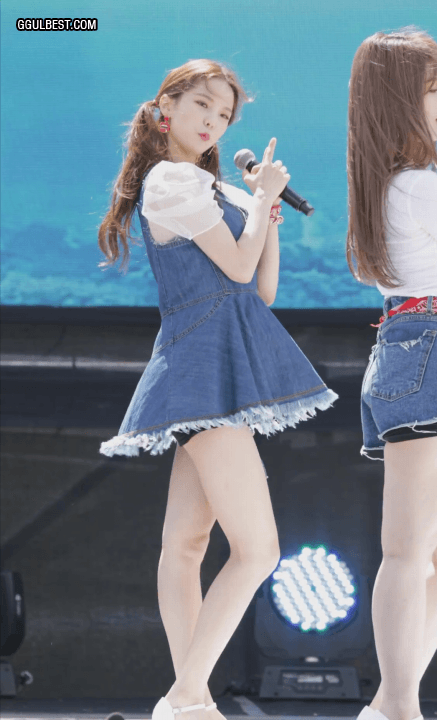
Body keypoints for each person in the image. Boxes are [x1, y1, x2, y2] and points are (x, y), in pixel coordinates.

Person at [98, 59, 339, 720]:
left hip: (218, 367)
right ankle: (184, 696)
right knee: (258, 550)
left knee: (186, 545)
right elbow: (233, 269)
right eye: (202, 105)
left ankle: (192, 700)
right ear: (165, 109)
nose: (213, 121)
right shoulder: (171, 180)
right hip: (202, 369)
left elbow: (260, 289)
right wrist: (258, 204)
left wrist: (266, 215)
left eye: (225, 113)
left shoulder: (216, 190)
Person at [346, 28, 437, 720]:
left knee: (416, 555)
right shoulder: (416, 186)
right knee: (408, 552)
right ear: (400, 100)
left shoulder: (398, 185)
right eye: (433, 88)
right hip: (426, 345)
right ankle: (398, 707)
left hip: (411, 345)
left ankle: (389, 706)